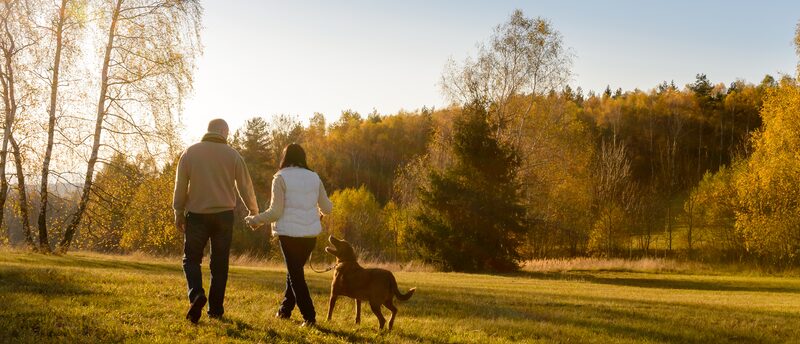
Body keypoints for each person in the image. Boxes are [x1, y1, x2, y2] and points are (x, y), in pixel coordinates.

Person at [173, 118, 259, 324]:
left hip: (196, 215)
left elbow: (181, 184)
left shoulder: (190, 152)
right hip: (224, 215)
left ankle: (196, 295)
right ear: (223, 131)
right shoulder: (233, 155)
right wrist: (254, 211)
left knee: (191, 259)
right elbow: (245, 186)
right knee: (219, 264)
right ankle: (216, 310)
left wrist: (178, 210)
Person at [245, 143, 333, 328]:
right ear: (303, 158)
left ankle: (309, 317)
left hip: (289, 235)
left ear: (285, 157)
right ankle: (285, 310)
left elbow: (275, 212)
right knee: (294, 272)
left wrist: (255, 220)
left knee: (295, 276)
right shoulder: (314, 177)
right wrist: (316, 211)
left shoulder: (280, 177)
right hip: (310, 236)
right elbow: (327, 208)